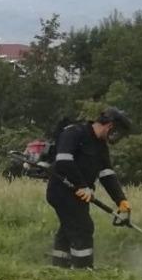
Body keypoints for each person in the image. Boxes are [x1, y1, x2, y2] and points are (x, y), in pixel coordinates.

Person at [47, 107, 133, 269]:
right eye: (118, 132)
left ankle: (59, 267)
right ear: (110, 126)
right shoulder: (74, 132)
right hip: (61, 191)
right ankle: (83, 269)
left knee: (68, 227)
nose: (117, 137)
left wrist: (121, 200)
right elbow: (64, 161)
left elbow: (107, 174)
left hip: (80, 195)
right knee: (83, 227)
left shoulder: (100, 146)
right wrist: (82, 186)